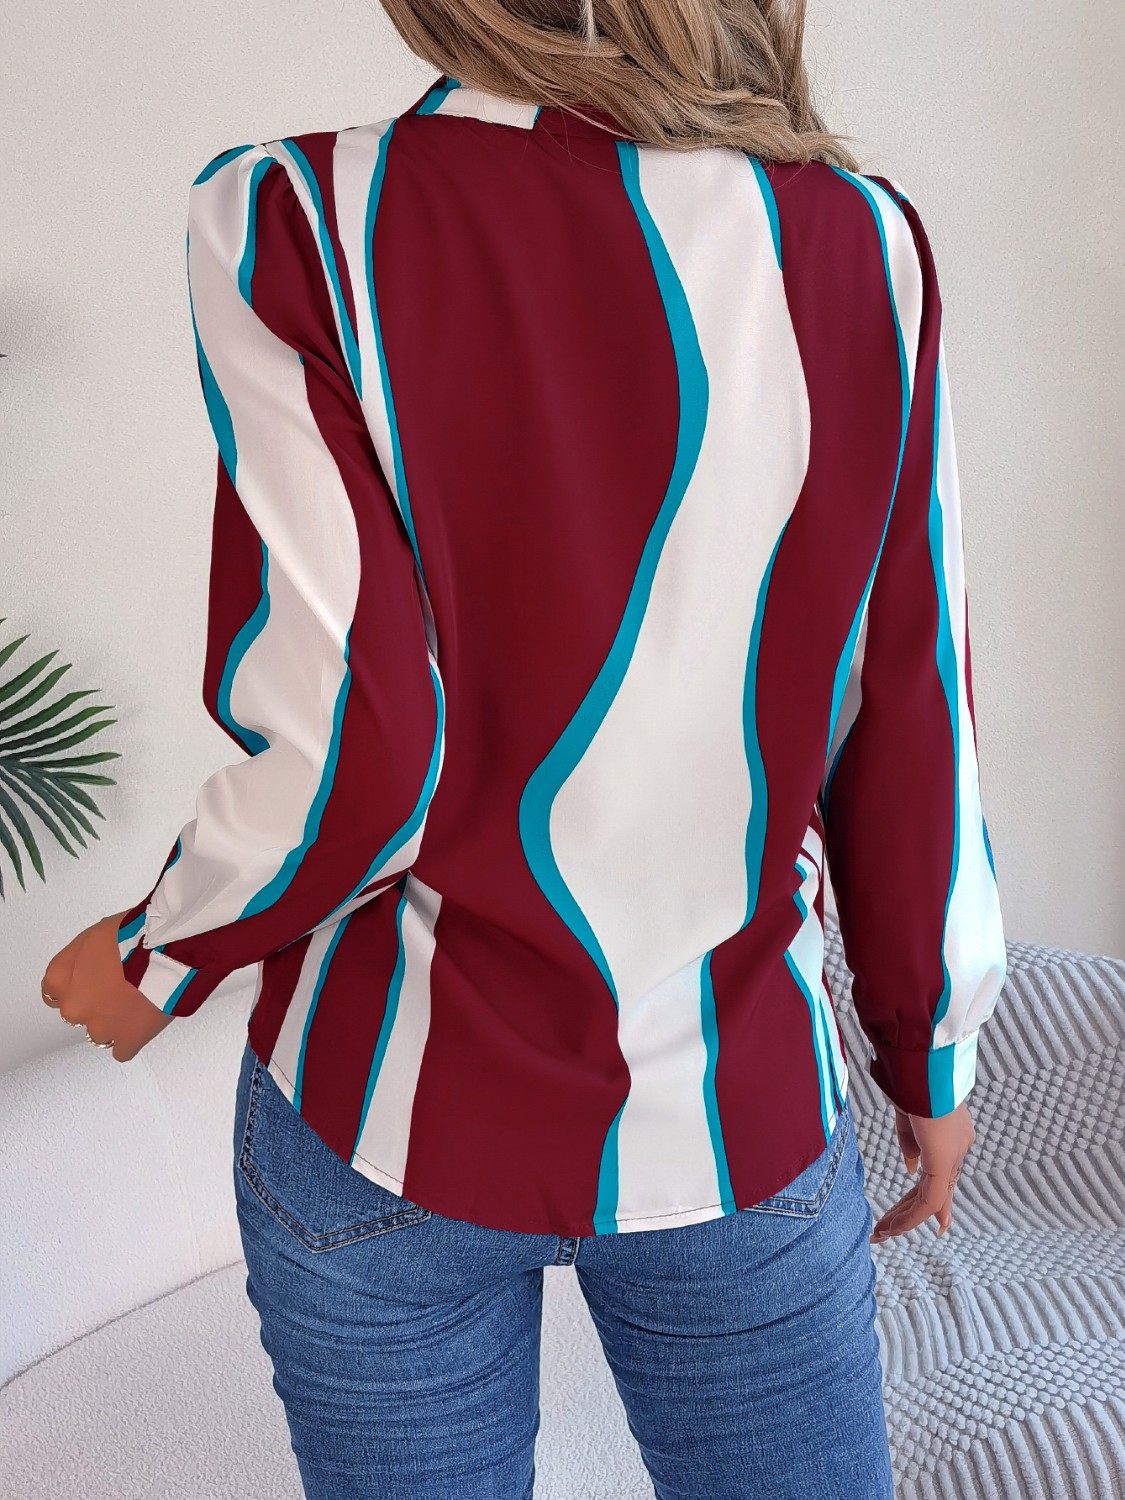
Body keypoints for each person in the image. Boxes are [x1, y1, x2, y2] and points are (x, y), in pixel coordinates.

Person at [41, 0, 1008, 1494]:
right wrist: (928, 1048)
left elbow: (357, 748)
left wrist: (160, 952)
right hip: (732, 1100)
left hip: (381, 1103)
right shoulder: (867, 242)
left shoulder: (296, 215)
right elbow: (908, 702)